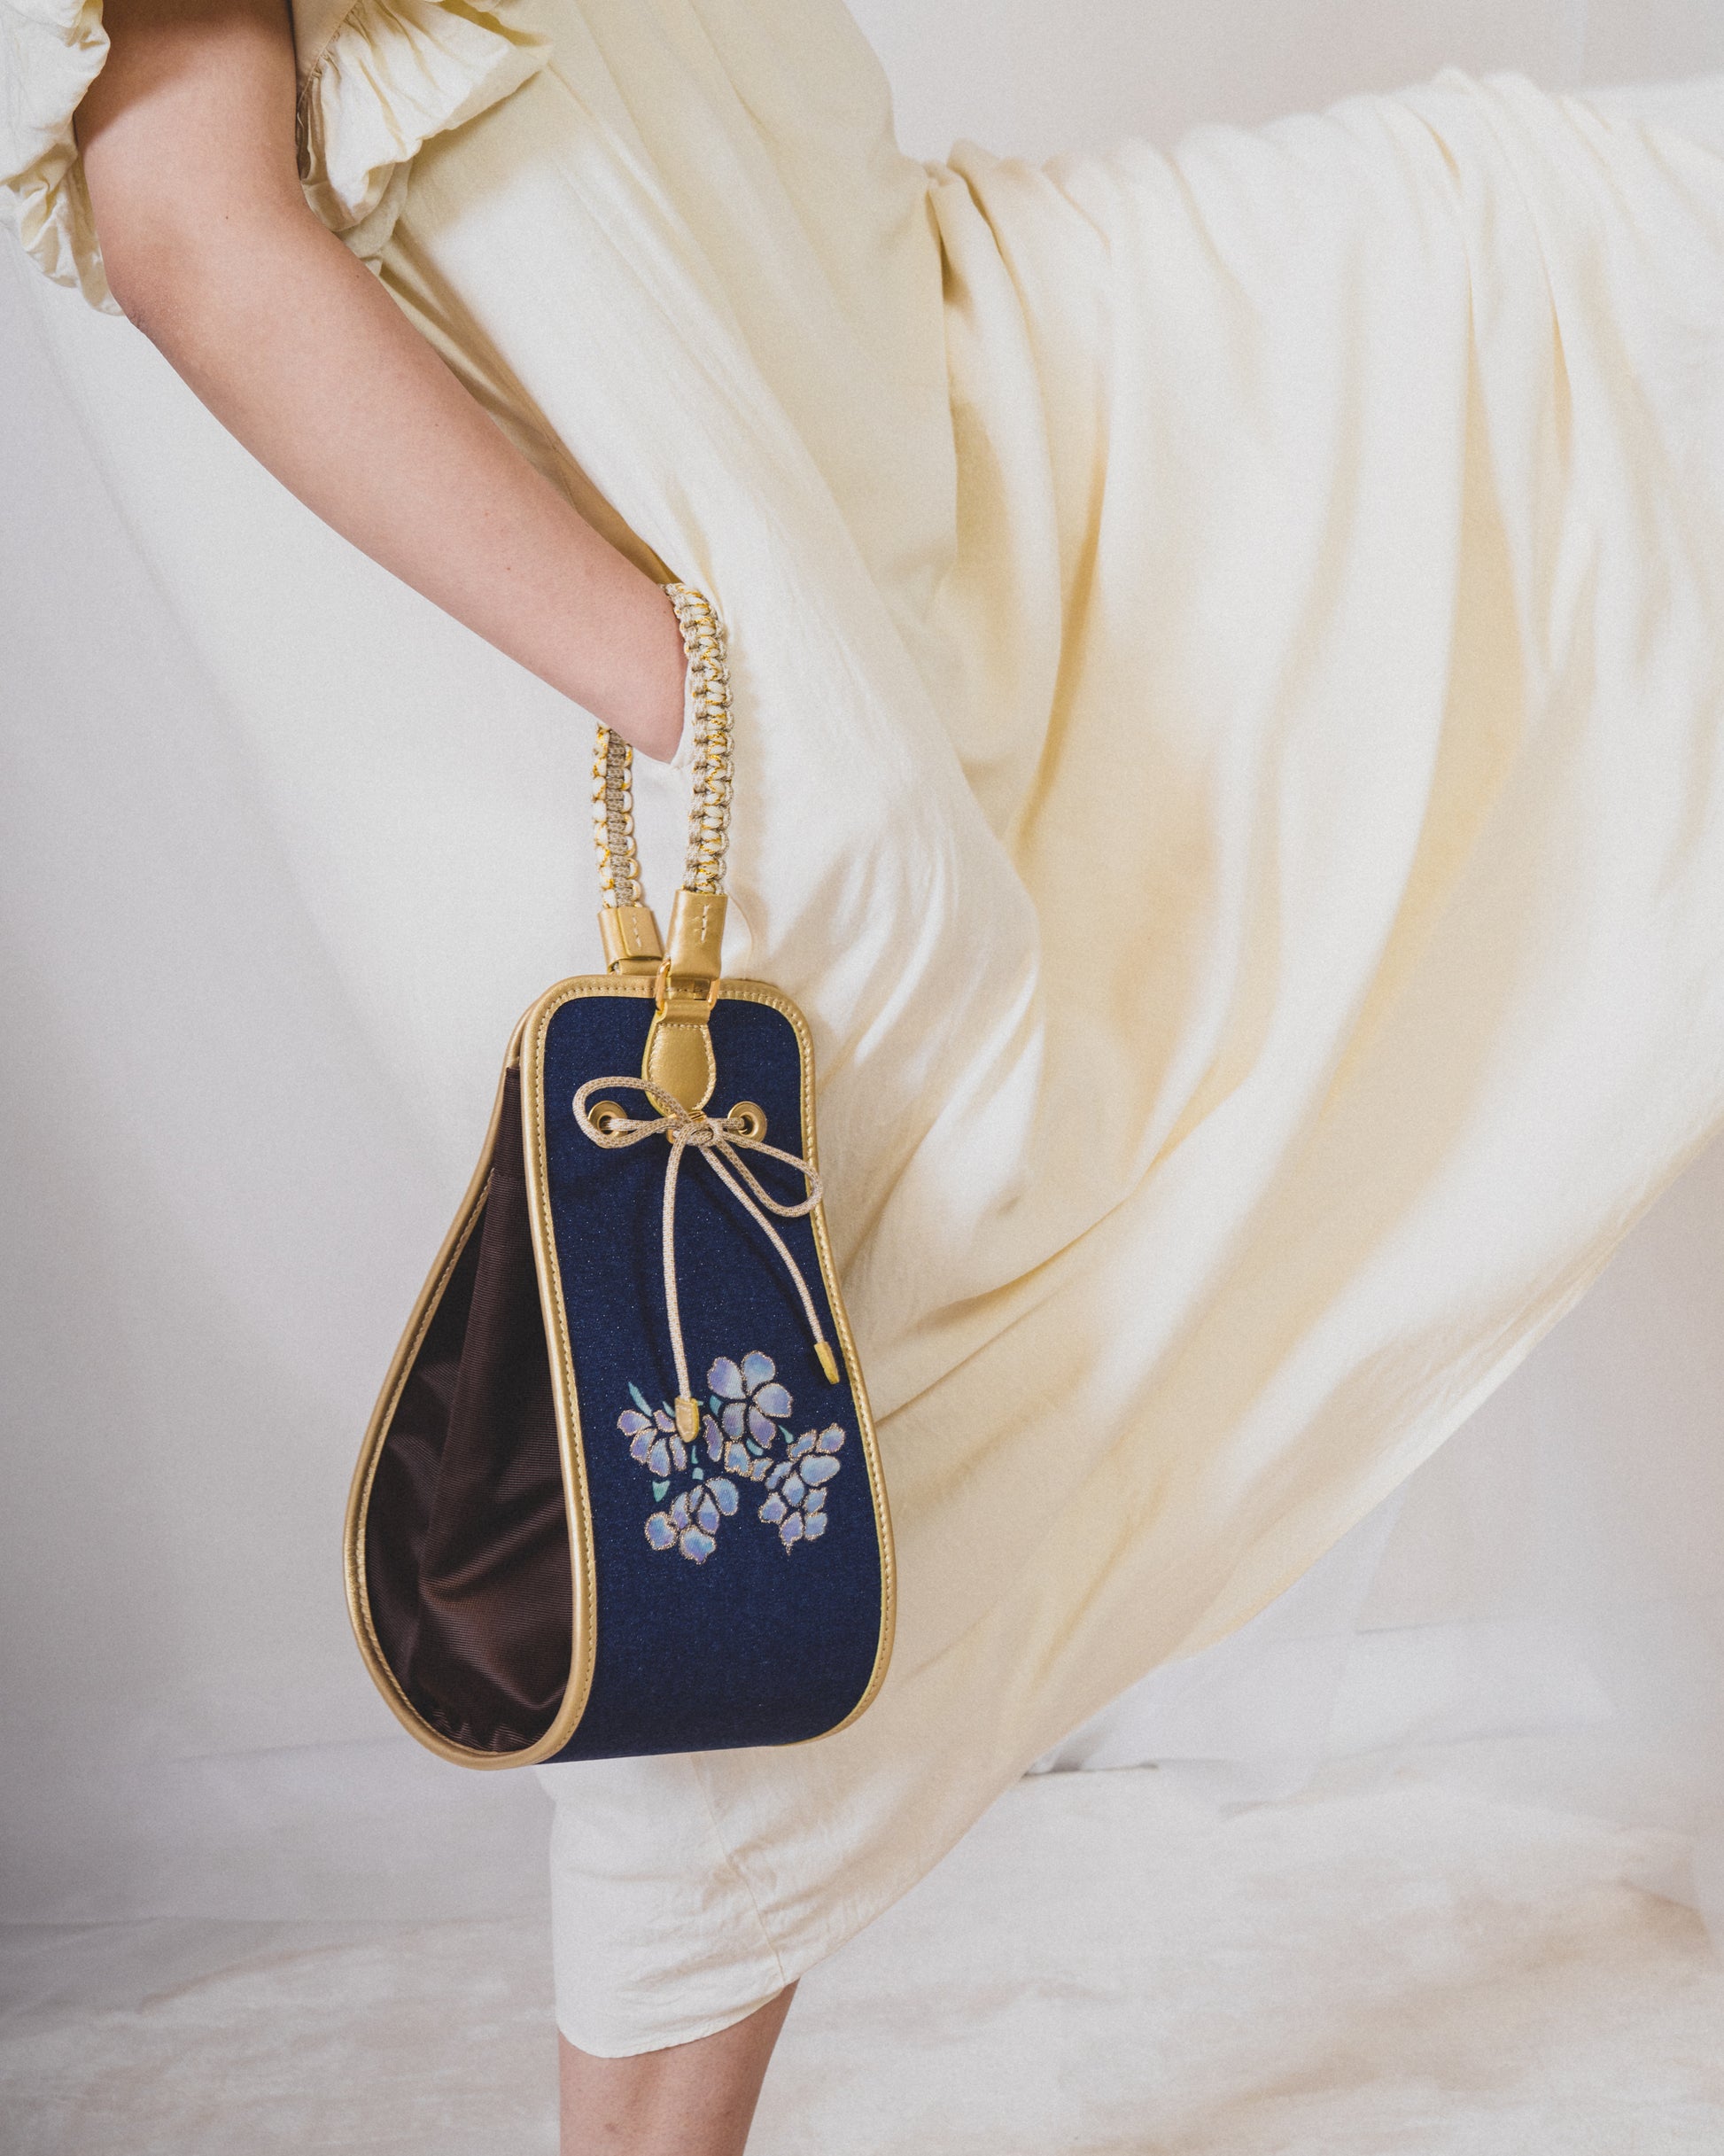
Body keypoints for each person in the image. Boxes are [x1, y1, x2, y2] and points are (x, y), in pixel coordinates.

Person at [7, 1, 1724, 2149]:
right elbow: (186, 218)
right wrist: (679, 670)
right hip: (748, 566)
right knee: (780, 1384)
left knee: (1601, 246)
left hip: (926, 351)